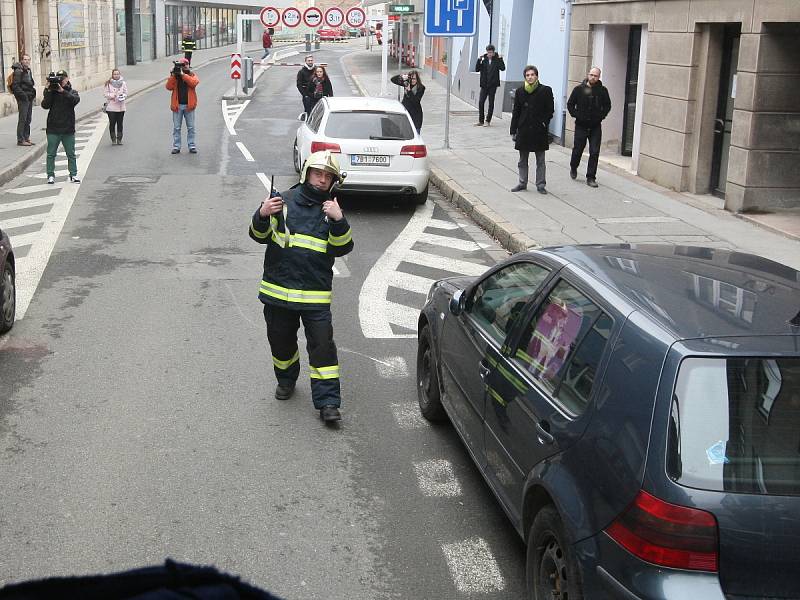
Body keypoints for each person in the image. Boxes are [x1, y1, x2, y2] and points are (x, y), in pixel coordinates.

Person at [249, 150, 354, 424]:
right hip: (277, 293)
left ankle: (328, 402)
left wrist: (339, 220)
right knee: (281, 343)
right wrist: (261, 214)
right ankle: (286, 379)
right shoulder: (281, 201)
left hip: (314, 296)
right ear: (307, 173)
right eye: (317, 174)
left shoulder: (331, 209)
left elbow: (343, 248)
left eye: (327, 176)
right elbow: (258, 236)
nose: (321, 180)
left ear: (333, 181)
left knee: (322, 349)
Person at [509, 65, 554, 194]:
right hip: (524, 130)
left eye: (532, 75)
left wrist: (544, 122)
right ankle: (522, 182)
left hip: (539, 130)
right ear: (525, 77)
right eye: (528, 75)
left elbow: (550, 110)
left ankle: (540, 184)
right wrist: (513, 129)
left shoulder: (545, 90)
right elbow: (516, 111)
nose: (530, 77)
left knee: (540, 159)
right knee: (523, 159)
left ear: (537, 76)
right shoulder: (520, 91)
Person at [567, 66, 612, 188]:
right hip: (581, 125)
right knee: (578, 149)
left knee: (594, 152)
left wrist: (601, 116)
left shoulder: (602, 91)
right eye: (591, 75)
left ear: (599, 77)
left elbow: (608, 105)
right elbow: (570, 104)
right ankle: (573, 166)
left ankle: (591, 177)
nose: (593, 77)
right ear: (588, 75)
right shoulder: (578, 89)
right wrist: (576, 115)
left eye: (595, 76)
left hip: (595, 126)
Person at [41, 70, 81, 185]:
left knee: (71, 154)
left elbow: (75, 100)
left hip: (68, 128)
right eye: (59, 78)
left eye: (62, 78)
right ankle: (50, 175)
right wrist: (48, 90)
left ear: (67, 79)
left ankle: (73, 174)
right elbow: (45, 105)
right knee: (51, 153)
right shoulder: (51, 92)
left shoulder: (72, 92)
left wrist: (62, 91)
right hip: (53, 128)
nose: (60, 81)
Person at [166, 57, 200, 154]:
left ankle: (192, 145)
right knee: (176, 128)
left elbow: (194, 83)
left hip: (189, 106)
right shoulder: (175, 77)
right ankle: (176, 146)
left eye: (185, 65)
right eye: (182, 65)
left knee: (191, 127)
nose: (184, 67)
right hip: (177, 106)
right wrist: (172, 75)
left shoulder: (192, 75)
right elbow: (168, 87)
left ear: (188, 65)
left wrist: (183, 74)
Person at [474, 44, 505, 127]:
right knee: (481, 102)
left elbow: (503, 68)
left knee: (491, 103)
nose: (490, 54)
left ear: (493, 52)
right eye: (488, 52)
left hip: (493, 85)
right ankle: (481, 121)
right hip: (484, 85)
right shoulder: (484, 60)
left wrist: (501, 59)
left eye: (491, 52)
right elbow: (477, 69)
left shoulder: (497, 60)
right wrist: (479, 60)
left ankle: (488, 120)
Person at [11, 54, 36, 146]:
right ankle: (20, 140)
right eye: (25, 59)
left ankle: (26, 137)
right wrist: (24, 96)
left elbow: (30, 83)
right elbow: (15, 86)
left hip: (29, 98)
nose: (26, 61)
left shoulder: (28, 70)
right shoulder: (18, 71)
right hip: (23, 99)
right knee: (23, 119)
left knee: (28, 119)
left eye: (28, 60)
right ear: (22, 60)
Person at [104, 68, 128, 145]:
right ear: (112, 75)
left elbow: (126, 92)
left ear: (119, 74)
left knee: (120, 123)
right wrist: (112, 95)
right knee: (112, 123)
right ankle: (113, 139)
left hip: (121, 106)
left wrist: (123, 95)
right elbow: (105, 94)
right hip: (111, 107)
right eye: (115, 74)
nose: (116, 75)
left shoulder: (123, 83)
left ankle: (119, 139)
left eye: (117, 74)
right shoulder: (108, 83)